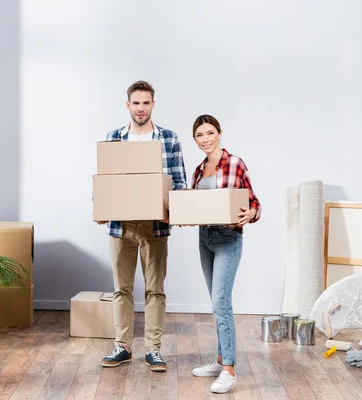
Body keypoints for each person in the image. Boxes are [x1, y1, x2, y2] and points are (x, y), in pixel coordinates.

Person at [98, 80, 187, 372]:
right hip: (120, 225)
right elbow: (106, 181)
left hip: (155, 226)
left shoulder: (169, 139)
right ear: (128, 105)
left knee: (155, 290)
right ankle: (122, 347)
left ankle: (153, 350)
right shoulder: (114, 137)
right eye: (136, 103)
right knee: (121, 289)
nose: (140, 108)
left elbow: (180, 183)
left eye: (146, 103)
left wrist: (171, 209)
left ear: (153, 104)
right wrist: (101, 207)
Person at [189, 114, 261, 393]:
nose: (205, 139)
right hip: (204, 238)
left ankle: (229, 369)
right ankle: (220, 360)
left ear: (220, 133)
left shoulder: (234, 163)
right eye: (199, 135)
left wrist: (252, 213)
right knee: (216, 301)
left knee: (221, 301)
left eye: (210, 133)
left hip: (228, 238)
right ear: (195, 139)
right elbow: (196, 206)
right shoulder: (198, 171)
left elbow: (254, 202)